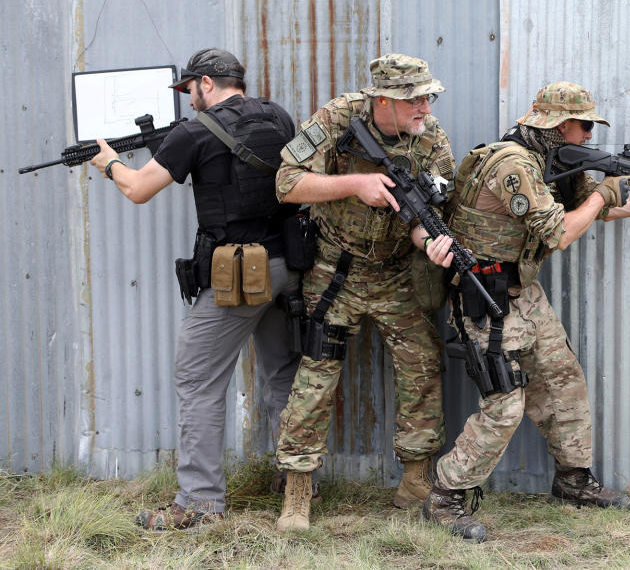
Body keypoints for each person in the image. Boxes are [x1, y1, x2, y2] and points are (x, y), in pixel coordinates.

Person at [420, 81, 630, 542]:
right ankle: (445, 496)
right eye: (584, 125)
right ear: (557, 125)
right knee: (505, 406)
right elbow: (560, 232)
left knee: (563, 381)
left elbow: (602, 210)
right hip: (483, 297)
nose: (590, 135)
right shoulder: (514, 165)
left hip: (522, 291)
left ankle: (573, 482)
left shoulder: (551, 162)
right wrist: (603, 194)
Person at [90, 48, 300, 530]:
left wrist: (108, 163)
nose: (189, 101)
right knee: (281, 373)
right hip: (287, 265)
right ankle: (297, 480)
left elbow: (138, 188)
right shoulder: (279, 117)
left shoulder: (194, 132)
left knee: (198, 378)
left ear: (207, 82)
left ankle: (200, 504)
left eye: (190, 91)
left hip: (240, 276)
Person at [272, 53, 455, 531]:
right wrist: (356, 184)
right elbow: (286, 184)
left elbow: (427, 215)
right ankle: (297, 488)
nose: (426, 110)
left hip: (397, 273)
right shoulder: (338, 118)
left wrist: (429, 242)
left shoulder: (430, 138)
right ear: (382, 101)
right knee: (317, 374)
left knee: (422, 365)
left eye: (428, 98)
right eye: (415, 100)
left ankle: (415, 478)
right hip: (336, 271)